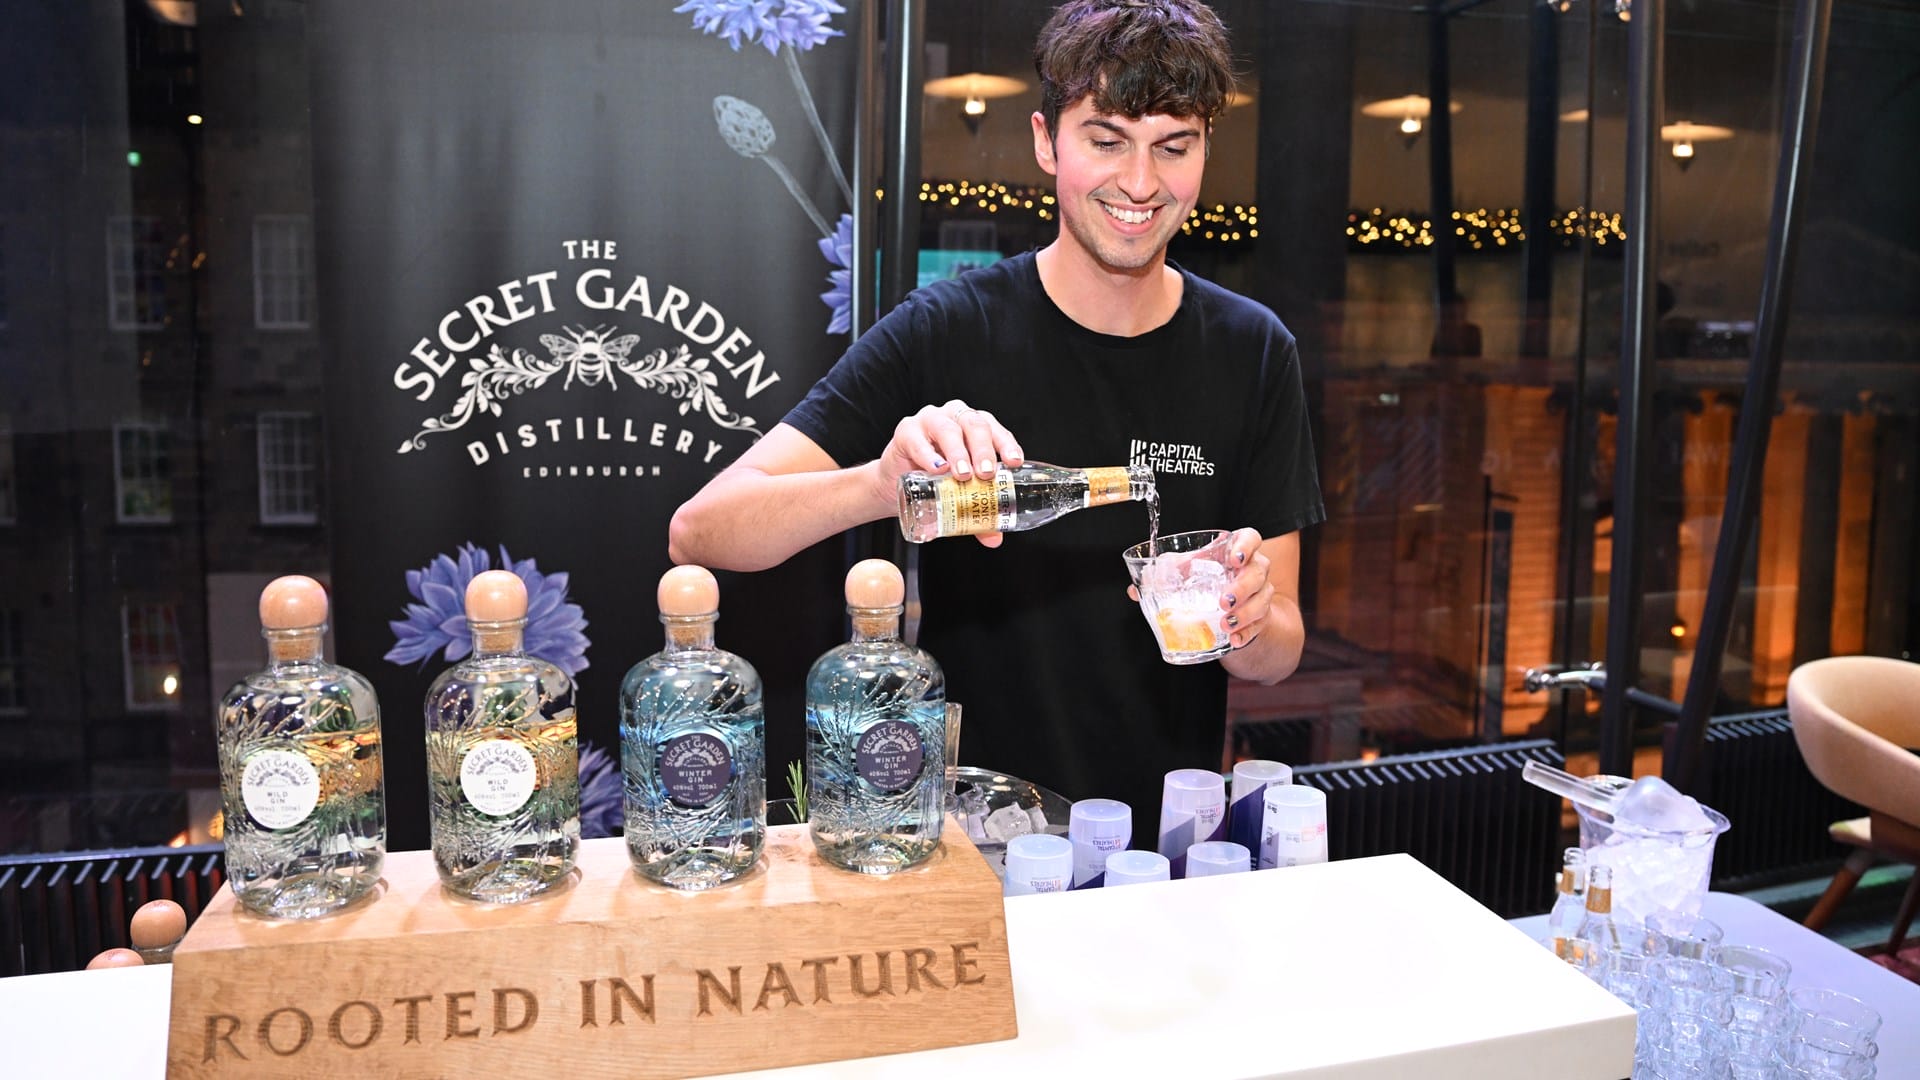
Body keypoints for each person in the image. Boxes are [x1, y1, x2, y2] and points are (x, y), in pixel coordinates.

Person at [669, 0, 1324, 822]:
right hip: (973, 840)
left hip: (1164, 847)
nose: (1141, 182)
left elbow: (1276, 653)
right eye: (1107, 139)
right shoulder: (949, 327)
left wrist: (1248, 617)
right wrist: (883, 483)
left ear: (1204, 153)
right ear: (1048, 141)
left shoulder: (1254, 351)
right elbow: (703, 530)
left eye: (1173, 147)